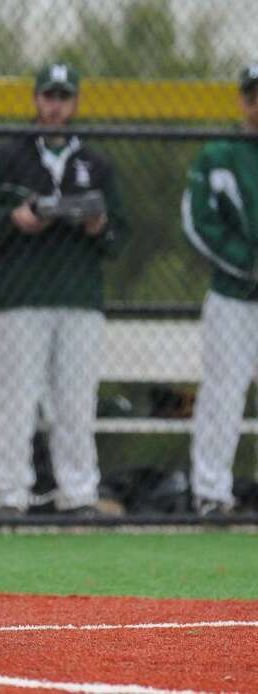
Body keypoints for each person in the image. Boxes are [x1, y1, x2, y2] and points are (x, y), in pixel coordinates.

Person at [0, 64, 128, 516]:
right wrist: (14, 219)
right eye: (49, 96)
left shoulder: (95, 164)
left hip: (79, 299)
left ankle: (78, 495)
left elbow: (120, 235)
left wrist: (98, 225)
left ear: (74, 103)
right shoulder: (4, 158)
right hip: (20, 298)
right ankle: (10, 495)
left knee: (75, 402)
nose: (55, 106)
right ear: (36, 99)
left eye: (64, 97)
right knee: (14, 400)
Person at [182, 64, 258, 517]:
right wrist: (249, 264)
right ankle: (212, 492)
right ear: (243, 102)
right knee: (223, 392)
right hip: (233, 295)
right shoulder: (219, 155)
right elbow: (198, 222)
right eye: (253, 96)